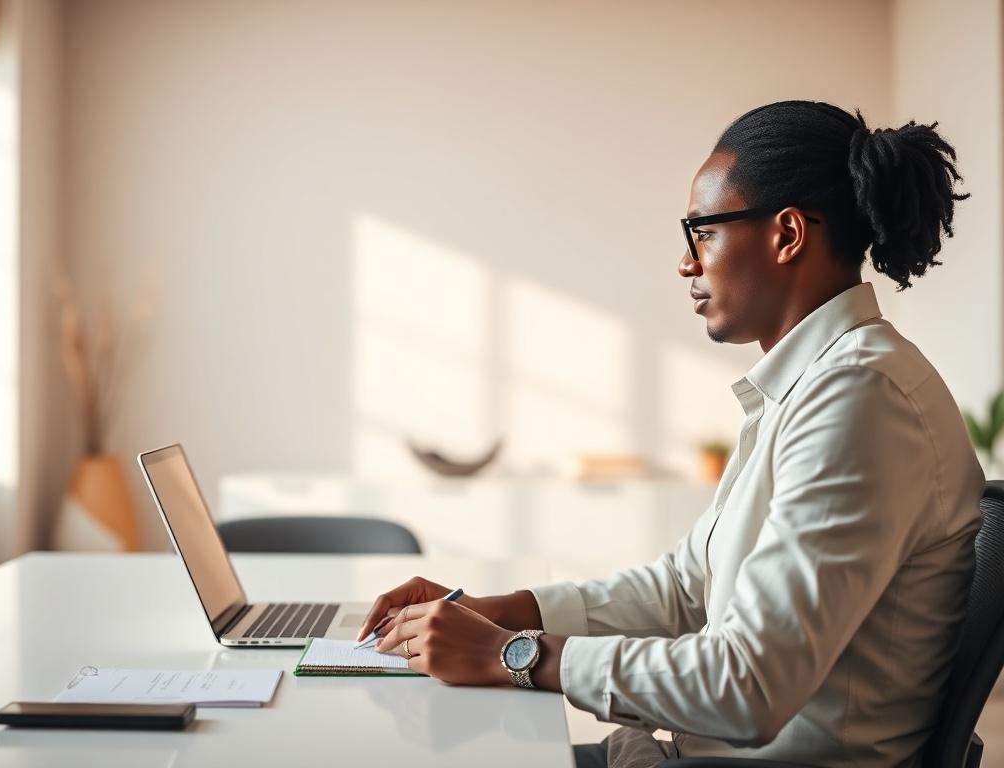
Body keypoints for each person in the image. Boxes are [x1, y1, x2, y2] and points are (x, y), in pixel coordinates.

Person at [355, 100, 984, 768]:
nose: (687, 264)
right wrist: (502, 612)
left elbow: (749, 685)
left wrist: (511, 655)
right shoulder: (814, 387)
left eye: (702, 233)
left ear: (787, 234)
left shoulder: (861, 398)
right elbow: (683, 591)